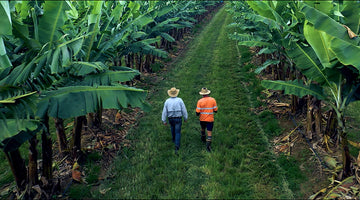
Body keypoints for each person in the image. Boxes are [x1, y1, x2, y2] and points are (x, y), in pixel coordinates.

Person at [162, 87, 188, 155]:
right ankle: (177, 146)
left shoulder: (167, 101)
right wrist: (185, 118)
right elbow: (184, 110)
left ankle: (174, 139)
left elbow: (164, 111)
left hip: (171, 118)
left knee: (172, 128)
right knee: (178, 132)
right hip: (178, 118)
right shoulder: (180, 100)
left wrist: (164, 120)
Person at [196, 87, 217, 152]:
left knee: (203, 128)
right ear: (208, 93)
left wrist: (198, 114)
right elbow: (215, 110)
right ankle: (208, 145)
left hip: (202, 119)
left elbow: (197, 112)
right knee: (209, 132)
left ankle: (203, 138)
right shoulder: (213, 100)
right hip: (210, 119)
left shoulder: (200, 101)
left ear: (202, 94)